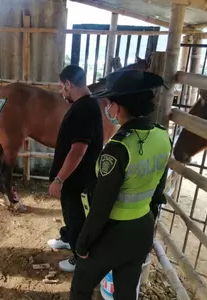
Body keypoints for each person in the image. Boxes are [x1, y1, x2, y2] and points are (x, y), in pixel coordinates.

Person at [70, 70, 172, 300]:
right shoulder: (163, 136)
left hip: (113, 233)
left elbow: (102, 206)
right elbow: (158, 190)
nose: (107, 108)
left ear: (119, 107)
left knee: (81, 288)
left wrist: (83, 244)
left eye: (110, 103)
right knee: (126, 292)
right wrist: (150, 222)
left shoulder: (117, 148)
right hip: (143, 228)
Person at [48, 65, 103, 272]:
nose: (62, 93)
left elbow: (78, 150)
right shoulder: (84, 106)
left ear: (70, 84)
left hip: (77, 178)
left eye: (63, 88)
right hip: (74, 176)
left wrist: (59, 179)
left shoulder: (85, 108)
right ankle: (68, 237)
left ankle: (79, 257)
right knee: (69, 213)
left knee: (76, 215)